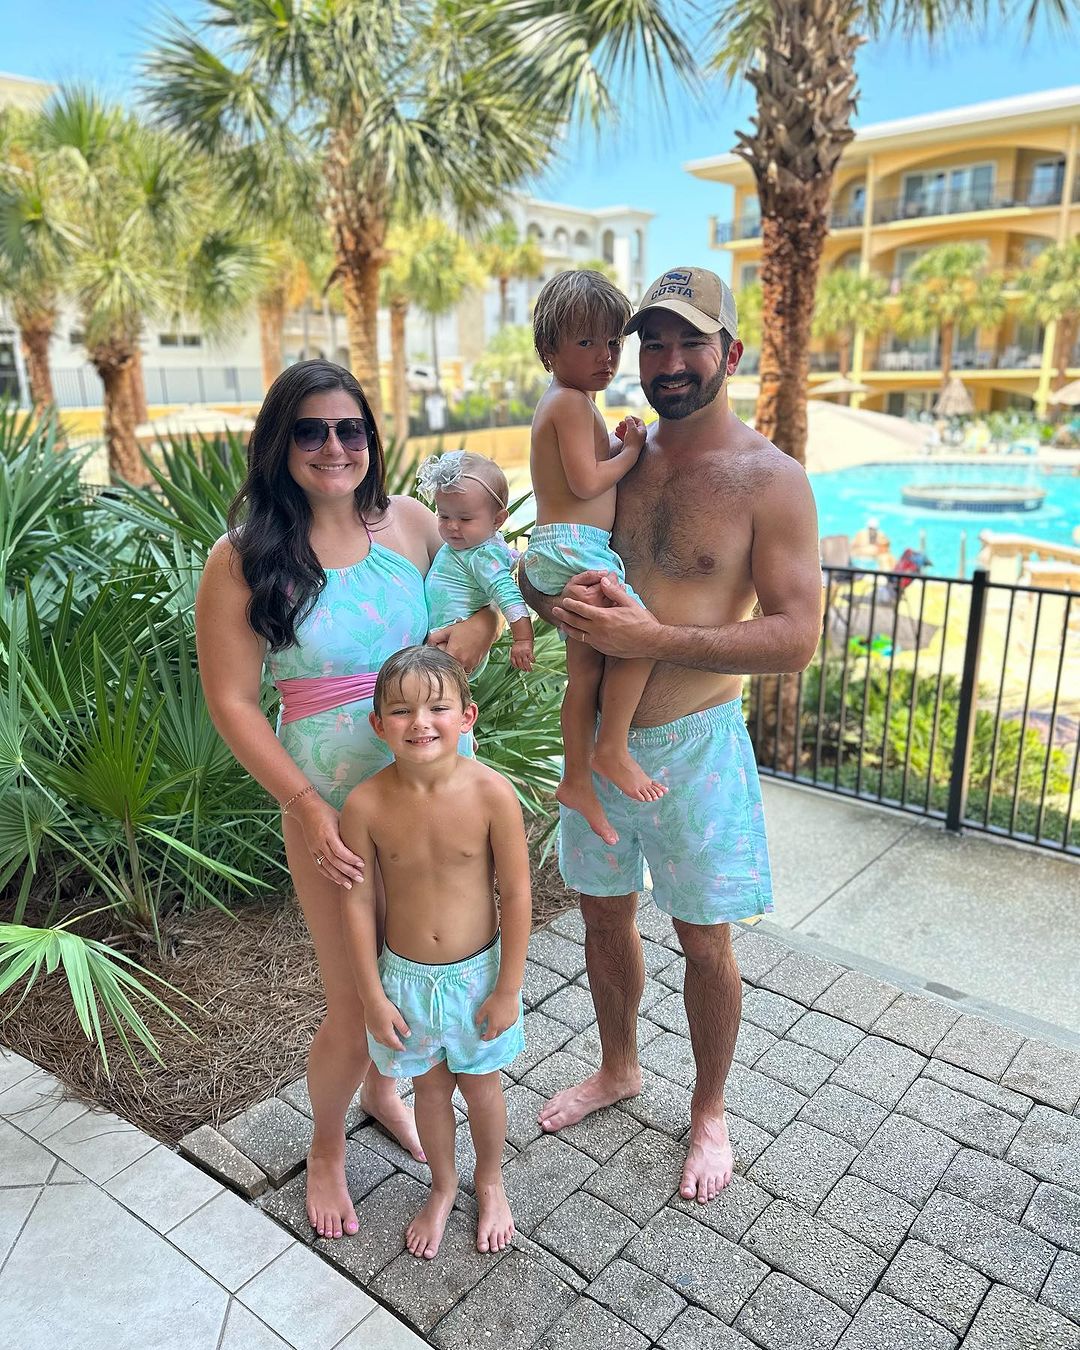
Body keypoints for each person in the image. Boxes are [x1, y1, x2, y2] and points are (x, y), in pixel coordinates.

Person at [517, 266, 822, 1203]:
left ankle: (710, 1110)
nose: (670, 361)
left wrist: (656, 640)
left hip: (695, 748)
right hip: (596, 749)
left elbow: (796, 636)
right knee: (602, 916)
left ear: (731, 352)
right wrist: (544, 599)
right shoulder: (615, 450)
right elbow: (542, 557)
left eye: (691, 341)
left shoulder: (771, 480)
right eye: (653, 342)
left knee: (704, 941)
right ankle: (618, 1067)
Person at [196, 360, 498, 1241]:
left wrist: (474, 638)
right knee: (353, 1000)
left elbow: (483, 603)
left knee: (425, 971)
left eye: (350, 428)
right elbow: (232, 702)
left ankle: (383, 1091)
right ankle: (326, 1147)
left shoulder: (412, 522)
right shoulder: (243, 558)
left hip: (438, 792)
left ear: (370, 437)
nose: (334, 447)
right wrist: (304, 806)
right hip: (328, 807)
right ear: (279, 443)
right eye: (310, 430)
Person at [340, 646, 529, 1260]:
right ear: (378, 724)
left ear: (467, 716)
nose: (420, 723)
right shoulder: (365, 805)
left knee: (482, 1089)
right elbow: (357, 906)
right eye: (401, 711)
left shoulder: (492, 794)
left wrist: (508, 988)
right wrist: (373, 997)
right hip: (406, 980)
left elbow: (517, 895)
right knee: (429, 1091)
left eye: (438, 708)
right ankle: (443, 1186)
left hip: (479, 977)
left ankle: (490, 1181)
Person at [522, 269, 663, 850]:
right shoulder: (571, 403)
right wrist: (631, 451)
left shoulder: (566, 403)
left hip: (559, 547)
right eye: (587, 342)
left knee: (584, 673)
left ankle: (576, 780)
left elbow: (578, 467)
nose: (605, 356)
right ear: (549, 350)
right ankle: (611, 749)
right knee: (641, 638)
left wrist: (612, 441)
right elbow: (585, 482)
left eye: (612, 342)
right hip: (575, 547)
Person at [417, 450, 534, 672]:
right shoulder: (466, 548)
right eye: (443, 516)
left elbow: (507, 594)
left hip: (453, 647)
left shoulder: (482, 556)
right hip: (441, 642)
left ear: (497, 519)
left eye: (465, 518)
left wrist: (523, 639)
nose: (452, 526)